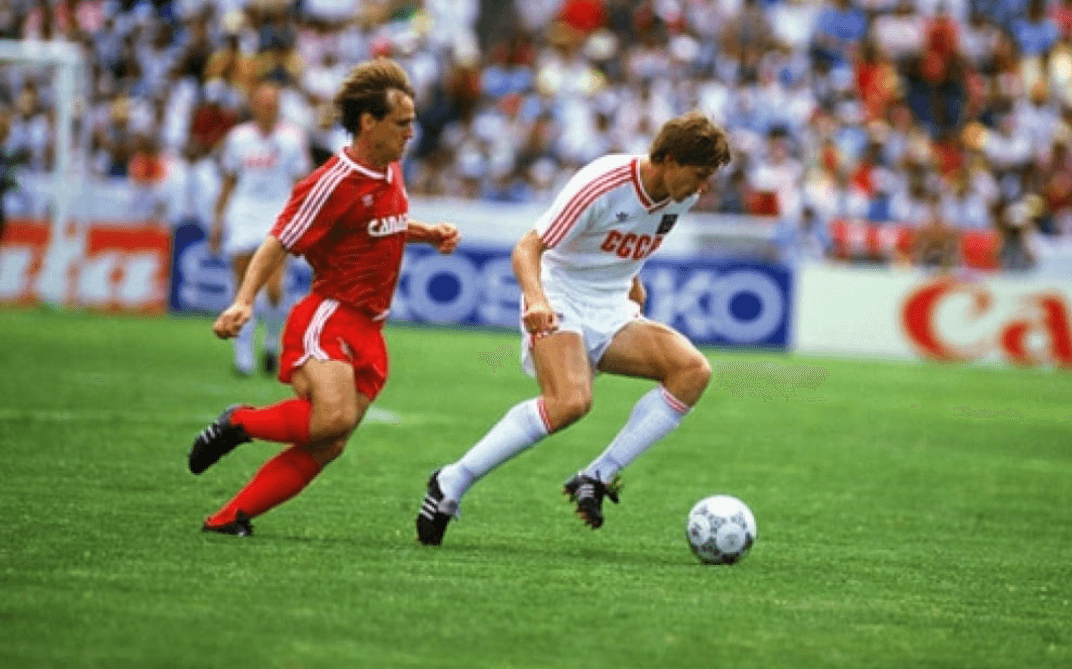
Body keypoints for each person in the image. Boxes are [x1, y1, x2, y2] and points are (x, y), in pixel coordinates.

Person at [414, 112, 731, 546]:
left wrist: (633, 281)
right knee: (570, 402)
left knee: (692, 371)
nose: (703, 188)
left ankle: (596, 477)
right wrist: (537, 300)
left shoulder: (681, 196)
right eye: (699, 175)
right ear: (671, 160)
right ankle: (451, 481)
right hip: (558, 294)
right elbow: (528, 247)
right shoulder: (603, 182)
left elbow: (624, 242)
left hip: (611, 306)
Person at [187, 58, 460, 536]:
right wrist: (244, 300)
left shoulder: (390, 168)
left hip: (370, 326)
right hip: (329, 315)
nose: (411, 132)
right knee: (332, 419)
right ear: (369, 122)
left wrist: (425, 233)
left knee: (329, 442)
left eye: (412, 122)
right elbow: (279, 239)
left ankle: (229, 518)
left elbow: (379, 225)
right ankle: (240, 422)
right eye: (402, 123)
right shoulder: (332, 181)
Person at [209, 81, 311, 377]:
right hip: (244, 212)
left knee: (275, 288)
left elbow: (300, 183)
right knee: (243, 286)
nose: (269, 109)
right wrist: (218, 221)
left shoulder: (292, 139)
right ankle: (243, 356)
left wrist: (302, 221)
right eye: (264, 103)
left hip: (278, 212)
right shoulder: (238, 138)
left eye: (273, 104)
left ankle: (271, 341)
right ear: (253, 106)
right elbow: (229, 181)